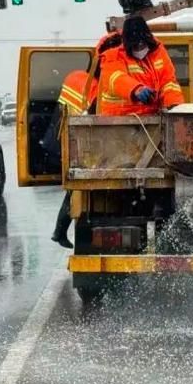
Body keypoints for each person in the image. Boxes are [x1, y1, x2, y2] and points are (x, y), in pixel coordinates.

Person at [50, 31, 120, 248]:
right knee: (76, 191)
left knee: (74, 190)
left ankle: (59, 232)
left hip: (66, 140)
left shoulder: (75, 78)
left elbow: (62, 111)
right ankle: (59, 231)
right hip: (82, 144)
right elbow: (97, 117)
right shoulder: (99, 88)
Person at [97, 16, 184, 116]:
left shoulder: (158, 53)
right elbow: (116, 78)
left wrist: (174, 105)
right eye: (135, 46)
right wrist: (136, 89)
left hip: (151, 117)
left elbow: (168, 82)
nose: (139, 49)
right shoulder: (112, 56)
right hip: (119, 119)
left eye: (142, 45)